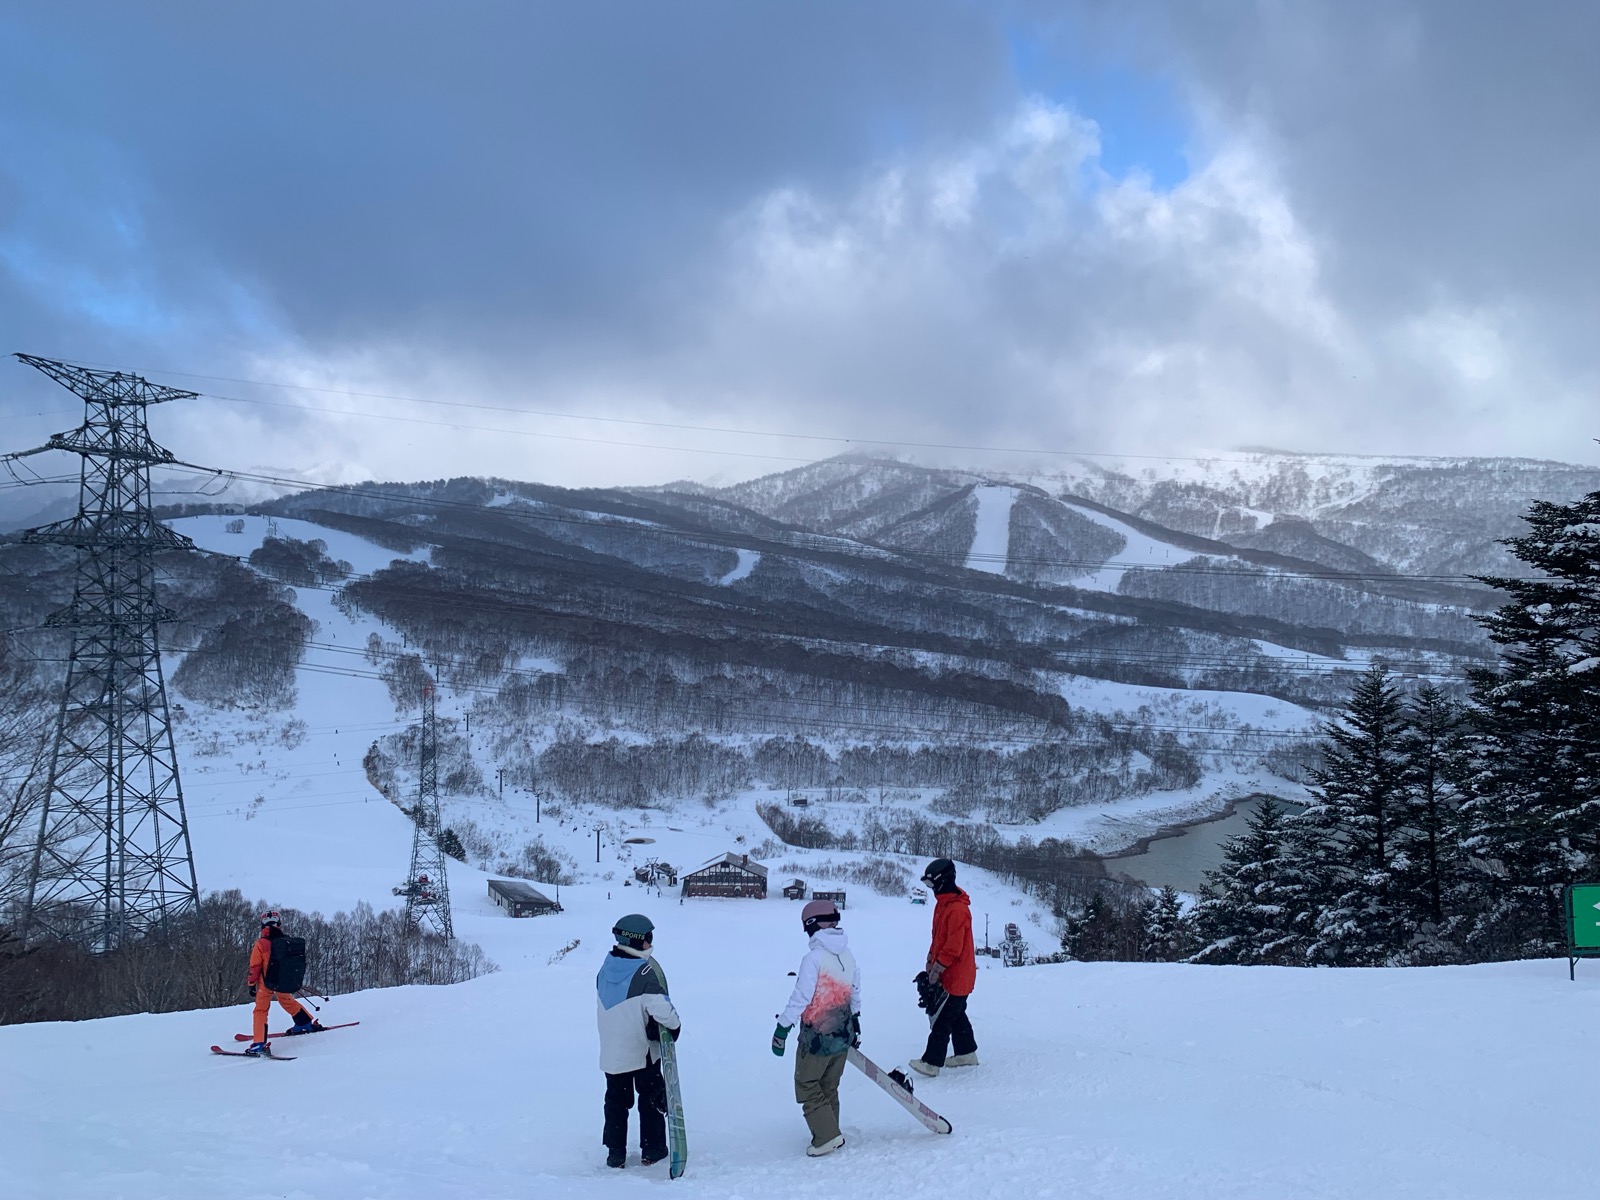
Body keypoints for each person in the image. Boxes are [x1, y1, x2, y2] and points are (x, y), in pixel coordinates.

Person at [771, 898, 861, 1158]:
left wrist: (782, 1029)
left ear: (812, 926)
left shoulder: (813, 958)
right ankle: (831, 1130)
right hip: (842, 1035)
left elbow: (801, 997)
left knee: (808, 1083)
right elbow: (855, 991)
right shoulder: (847, 954)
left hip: (817, 1038)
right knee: (829, 1085)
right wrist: (856, 1020)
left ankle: (826, 1137)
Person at [596, 913, 681, 1169]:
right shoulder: (643, 973)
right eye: (648, 937)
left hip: (612, 1052)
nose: (650, 942)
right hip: (641, 1051)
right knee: (652, 1098)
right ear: (638, 940)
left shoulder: (606, 967)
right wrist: (673, 1028)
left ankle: (615, 1152)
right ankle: (653, 1149)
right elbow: (663, 1011)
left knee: (616, 1102)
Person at [908, 858, 977, 1076]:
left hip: (956, 975)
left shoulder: (957, 910)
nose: (930, 890)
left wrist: (936, 971)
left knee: (942, 1019)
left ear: (942, 881)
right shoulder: (943, 905)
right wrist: (930, 961)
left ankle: (931, 1063)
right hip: (951, 972)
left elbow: (953, 948)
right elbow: (938, 939)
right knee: (956, 1014)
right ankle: (966, 1053)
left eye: (931, 885)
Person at [244, 911, 321, 1056]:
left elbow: (255, 967)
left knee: (261, 1010)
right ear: (279, 924)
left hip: (266, 982)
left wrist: (251, 984)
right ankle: (304, 1023)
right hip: (282, 980)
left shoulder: (260, 944)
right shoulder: (285, 941)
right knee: (286, 1000)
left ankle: (259, 1043)